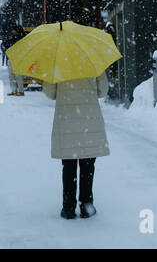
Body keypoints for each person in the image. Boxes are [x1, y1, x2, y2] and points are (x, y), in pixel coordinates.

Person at [43, 73, 109, 219]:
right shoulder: (93, 61)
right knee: (88, 166)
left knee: (68, 167)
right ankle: (86, 205)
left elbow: (50, 93)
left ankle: (68, 207)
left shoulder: (58, 63)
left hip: (66, 120)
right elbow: (102, 91)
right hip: (88, 119)